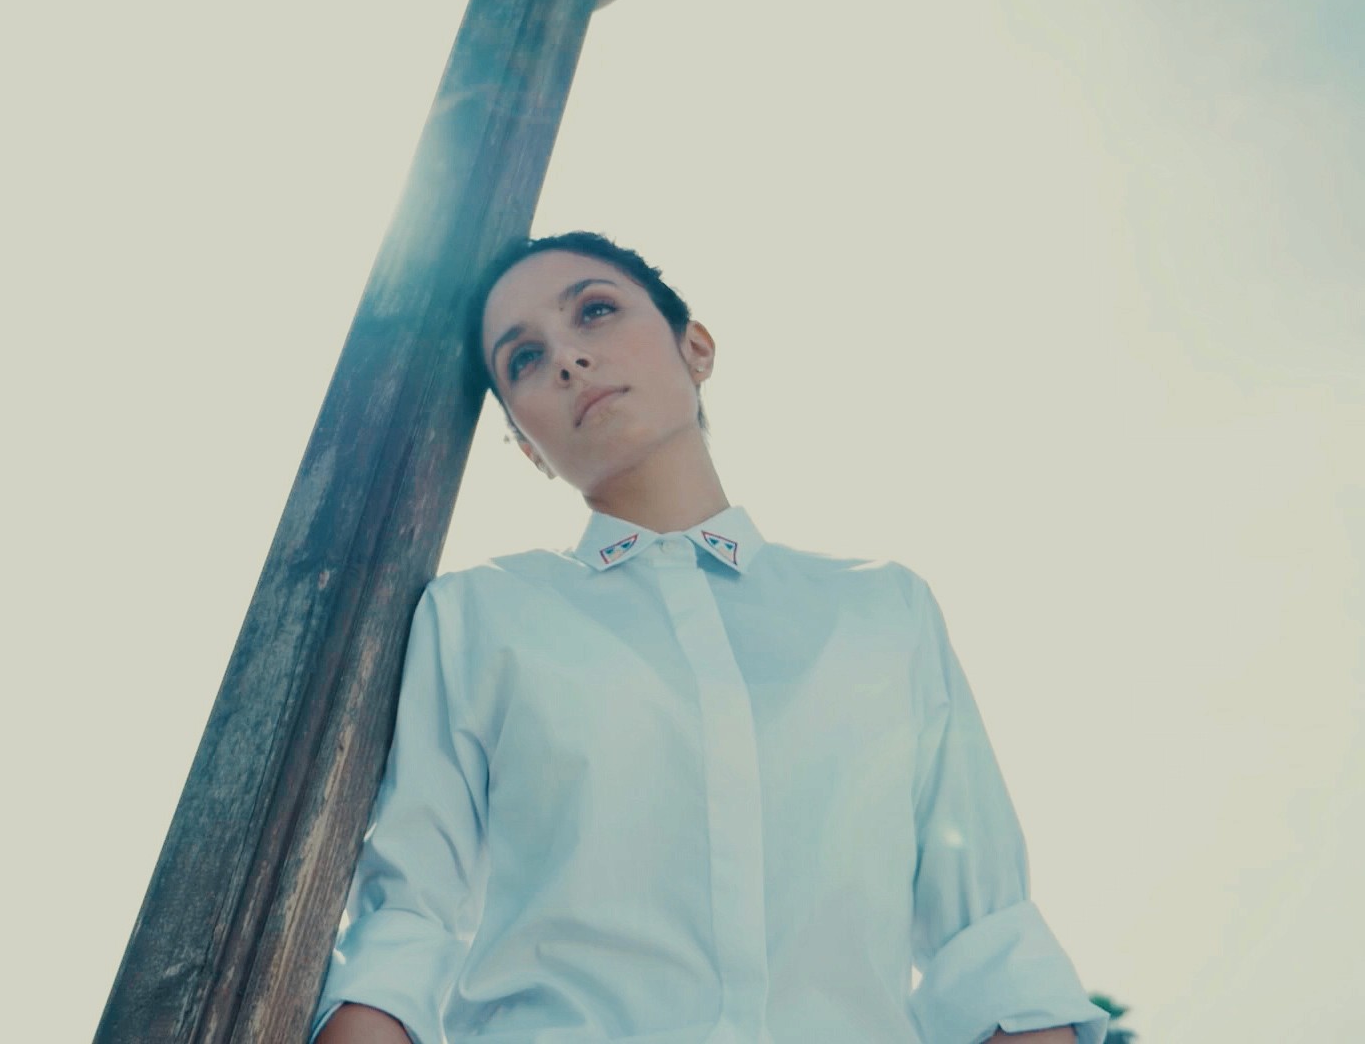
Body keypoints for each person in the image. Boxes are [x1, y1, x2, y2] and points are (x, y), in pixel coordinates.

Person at [313, 232, 1109, 1044]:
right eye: (523, 360)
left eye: (595, 311)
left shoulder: (883, 610)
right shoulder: (480, 614)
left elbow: (986, 940)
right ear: (526, 445)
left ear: (696, 348)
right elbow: (407, 915)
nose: (567, 359)